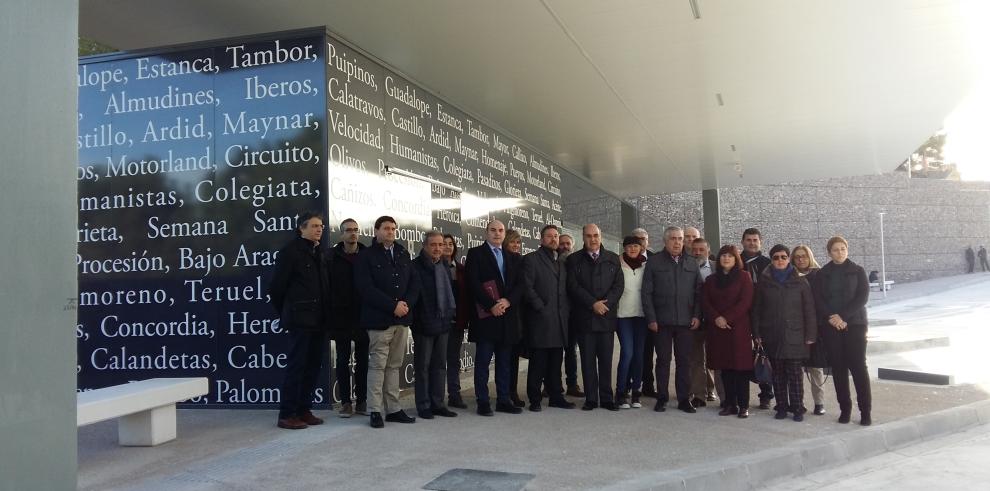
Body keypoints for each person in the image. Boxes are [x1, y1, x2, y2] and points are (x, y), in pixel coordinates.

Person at [354, 216, 420, 428]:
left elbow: (414, 283)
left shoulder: (402, 252)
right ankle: (375, 410)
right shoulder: (365, 256)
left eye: (393, 228)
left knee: (394, 365)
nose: (390, 232)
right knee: (377, 366)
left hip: (401, 320)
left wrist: (405, 305)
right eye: (386, 228)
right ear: (376, 231)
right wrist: (392, 306)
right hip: (379, 320)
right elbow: (365, 288)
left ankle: (393, 408)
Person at [269, 211, 332, 430]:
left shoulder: (320, 253)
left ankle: (304, 410)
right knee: (296, 367)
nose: (319, 229)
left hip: (319, 320)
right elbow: (277, 288)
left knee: (313, 367)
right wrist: (289, 312)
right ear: (301, 228)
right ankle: (287, 414)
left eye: (321, 226)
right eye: (314, 226)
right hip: (300, 320)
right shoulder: (290, 253)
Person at [752, 245, 817, 422]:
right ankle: (781, 406)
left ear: (789, 259)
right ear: (771, 260)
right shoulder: (764, 282)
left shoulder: (801, 281)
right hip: (772, 335)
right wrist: (756, 333)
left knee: (795, 375)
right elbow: (756, 310)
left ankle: (797, 407)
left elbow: (809, 310)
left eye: (783, 257)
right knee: (778, 375)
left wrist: (811, 335)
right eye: (775, 257)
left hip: (795, 336)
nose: (779, 260)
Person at [465, 220, 524, 416]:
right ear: (486, 232)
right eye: (493, 230)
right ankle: (483, 401)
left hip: (507, 316)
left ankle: (503, 400)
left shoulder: (513, 257)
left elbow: (520, 286)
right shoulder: (475, 254)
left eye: (500, 231)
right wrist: (492, 305)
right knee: (483, 361)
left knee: (504, 362)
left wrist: (507, 301)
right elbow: (473, 284)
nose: (497, 234)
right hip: (486, 317)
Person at [642, 226, 702, 413]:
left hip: (685, 322)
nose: (677, 242)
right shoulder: (654, 262)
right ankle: (662, 398)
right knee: (663, 361)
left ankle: (684, 399)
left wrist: (697, 315)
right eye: (673, 239)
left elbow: (699, 292)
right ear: (665, 241)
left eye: (680, 238)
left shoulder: (692, 263)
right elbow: (646, 293)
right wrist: (651, 318)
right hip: (662, 322)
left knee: (684, 361)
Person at [814, 236, 872, 426]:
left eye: (842, 249)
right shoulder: (823, 274)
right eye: (835, 250)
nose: (839, 252)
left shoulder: (857, 271)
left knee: (858, 368)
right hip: (831, 326)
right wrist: (833, 317)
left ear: (847, 250)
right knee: (838, 368)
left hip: (854, 325)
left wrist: (843, 317)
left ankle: (865, 412)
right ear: (829, 252)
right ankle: (845, 410)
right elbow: (819, 299)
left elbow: (862, 297)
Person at [567, 224, 624, 411]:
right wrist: (593, 303)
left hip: (606, 318)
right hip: (585, 318)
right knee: (588, 361)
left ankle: (607, 398)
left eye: (596, 235)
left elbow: (618, 286)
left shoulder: (613, 259)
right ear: (583, 237)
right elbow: (573, 286)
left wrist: (605, 305)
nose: (593, 239)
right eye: (589, 236)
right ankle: (591, 398)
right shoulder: (574, 259)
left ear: (601, 237)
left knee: (606, 361)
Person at [521, 225, 575, 411]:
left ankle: (556, 396)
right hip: (540, 320)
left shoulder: (561, 262)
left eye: (556, 236)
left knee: (555, 362)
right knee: (538, 363)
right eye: (549, 236)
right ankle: (535, 399)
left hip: (560, 320)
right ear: (541, 239)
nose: (553, 239)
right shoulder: (531, 260)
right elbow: (527, 288)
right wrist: (540, 308)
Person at [701, 245, 754, 418]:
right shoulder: (711, 280)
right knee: (725, 369)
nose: (726, 258)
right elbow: (705, 302)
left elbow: (745, 302)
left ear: (736, 259)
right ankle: (729, 404)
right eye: (723, 255)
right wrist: (717, 318)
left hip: (738, 329)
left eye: (730, 256)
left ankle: (743, 405)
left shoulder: (744, 277)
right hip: (718, 330)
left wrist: (727, 318)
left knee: (740, 369)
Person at [410, 231, 458, 420]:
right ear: (424, 246)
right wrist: (420, 321)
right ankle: (423, 405)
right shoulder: (415, 266)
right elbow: (415, 297)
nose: (438, 248)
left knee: (439, 365)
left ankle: (438, 404)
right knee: (422, 366)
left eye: (441, 245)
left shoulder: (444, 265)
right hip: (423, 324)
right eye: (434, 245)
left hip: (444, 322)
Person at [329, 218, 368, 418]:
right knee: (343, 360)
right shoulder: (331, 256)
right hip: (341, 317)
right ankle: (345, 403)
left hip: (363, 316)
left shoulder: (367, 255)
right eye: (348, 230)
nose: (353, 233)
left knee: (363, 361)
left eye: (356, 230)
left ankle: (361, 401)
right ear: (341, 233)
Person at [791, 244, 827, 416]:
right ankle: (799, 402)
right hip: (795, 329)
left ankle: (819, 403)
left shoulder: (818, 275)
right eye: (797, 256)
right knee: (796, 369)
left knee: (815, 368)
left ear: (810, 257)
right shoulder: (789, 275)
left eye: (803, 256)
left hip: (815, 328)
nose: (800, 259)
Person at [741, 227, 774, 409]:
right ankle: (741, 393)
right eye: (748, 240)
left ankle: (766, 394)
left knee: (764, 354)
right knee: (742, 355)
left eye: (755, 240)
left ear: (760, 242)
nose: (752, 243)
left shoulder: (768, 263)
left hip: (763, 315)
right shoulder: (736, 260)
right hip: (741, 315)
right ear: (743, 241)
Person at [615, 235, 647, 409]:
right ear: (624, 248)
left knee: (639, 355)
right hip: (623, 316)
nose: (633, 249)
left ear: (641, 247)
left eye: (636, 246)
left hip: (641, 316)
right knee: (627, 353)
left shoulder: (646, 265)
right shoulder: (617, 264)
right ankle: (620, 392)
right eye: (629, 246)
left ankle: (636, 392)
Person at [690, 238, 721, 406]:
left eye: (701, 249)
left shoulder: (718, 268)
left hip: (714, 320)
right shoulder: (686, 267)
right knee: (696, 359)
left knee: (716, 358)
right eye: (694, 249)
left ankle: (717, 391)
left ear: (708, 251)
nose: (697, 253)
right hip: (694, 320)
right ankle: (699, 395)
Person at [442, 234, 469, 409]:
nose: (447, 247)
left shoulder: (461, 269)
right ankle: (434, 396)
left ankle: (454, 394)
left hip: (456, 322)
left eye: (451, 244)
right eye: (444, 244)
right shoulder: (433, 267)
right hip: (438, 322)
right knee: (435, 361)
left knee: (453, 360)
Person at [631, 227, 659, 399]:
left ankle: (648, 385)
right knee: (632, 351)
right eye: (637, 239)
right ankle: (633, 385)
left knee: (649, 351)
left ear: (648, 241)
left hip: (652, 312)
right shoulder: (622, 258)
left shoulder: (656, 259)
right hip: (631, 312)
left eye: (644, 239)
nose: (641, 242)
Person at [558, 233, 583, 397]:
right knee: (553, 352)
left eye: (568, 244)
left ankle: (572, 385)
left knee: (571, 352)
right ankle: (551, 385)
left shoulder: (579, 264)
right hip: (555, 314)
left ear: (573, 246)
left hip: (574, 315)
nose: (565, 246)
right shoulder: (552, 262)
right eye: (562, 244)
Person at [504, 229, 526, 408]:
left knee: (514, 358)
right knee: (505, 358)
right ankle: (505, 393)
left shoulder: (521, 260)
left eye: (518, 243)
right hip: (502, 313)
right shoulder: (500, 259)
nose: (516, 246)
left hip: (518, 315)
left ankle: (513, 391)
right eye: (512, 242)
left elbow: (523, 285)